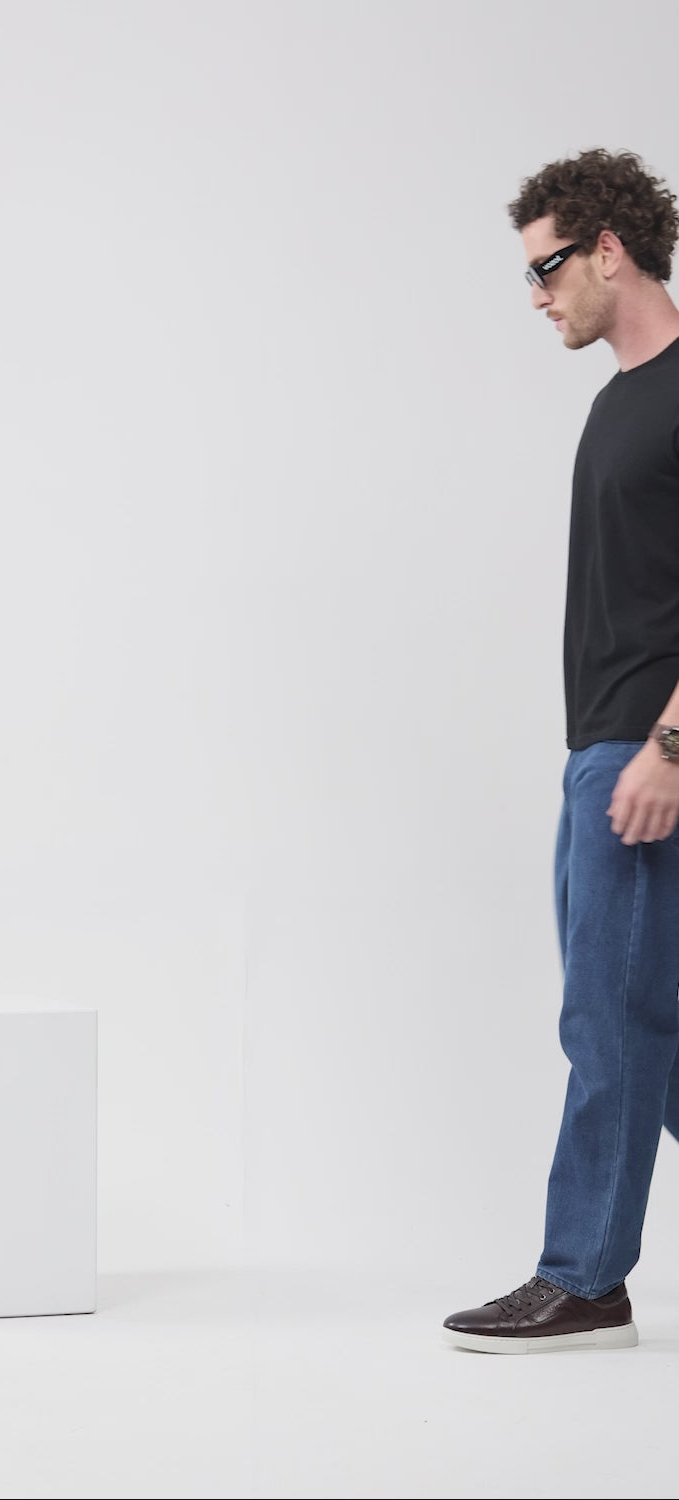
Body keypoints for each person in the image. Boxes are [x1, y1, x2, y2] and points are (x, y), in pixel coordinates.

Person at [442, 147, 679, 1354]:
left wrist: (666, 747)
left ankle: (583, 1278)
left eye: (543, 269)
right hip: (603, 750)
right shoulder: (613, 402)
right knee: (651, 1028)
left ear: (607, 250)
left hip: (644, 752)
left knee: (607, 1022)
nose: (534, 296)